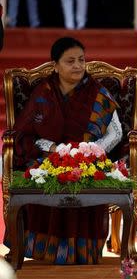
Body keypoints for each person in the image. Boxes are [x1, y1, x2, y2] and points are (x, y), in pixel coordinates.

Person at [9, 37, 123, 264]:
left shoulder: (97, 92)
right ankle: (44, 249)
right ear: (55, 65)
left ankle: (84, 251)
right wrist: (52, 149)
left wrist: (89, 152)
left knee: (88, 176)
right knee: (42, 176)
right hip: (48, 157)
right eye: (70, 61)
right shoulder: (43, 93)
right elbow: (24, 134)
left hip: (89, 159)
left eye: (81, 60)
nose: (78, 66)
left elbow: (117, 132)